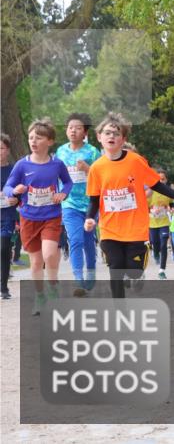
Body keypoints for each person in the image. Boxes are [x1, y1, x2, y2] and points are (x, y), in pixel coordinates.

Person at [83, 113, 174, 299]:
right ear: (99, 137)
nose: (111, 136)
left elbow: (157, 184)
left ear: (123, 139)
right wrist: (89, 218)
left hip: (135, 227)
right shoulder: (96, 168)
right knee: (116, 268)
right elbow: (94, 199)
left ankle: (136, 273)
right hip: (110, 229)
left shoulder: (135, 161)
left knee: (133, 271)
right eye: (107, 133)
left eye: (116, 134)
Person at [2, 119, 74, 314]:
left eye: (39, 138)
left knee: (50, 254)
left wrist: (63, 193)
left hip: (51, 215)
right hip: (28, 218)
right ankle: (40, 296)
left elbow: (68, 183)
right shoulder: (21, 165)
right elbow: (8, 187)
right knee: (35, 262)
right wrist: (13, 191)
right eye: (31, 137)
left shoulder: (57, 164)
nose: (33, 141)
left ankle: (52, 289)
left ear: (49, 141)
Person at [55, 113, 102, 295]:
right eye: (70, 127)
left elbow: (102, 177)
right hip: (69, 204)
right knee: (75, 240)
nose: (73, 131)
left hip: (90, 203)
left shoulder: (92, 152)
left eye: (78, 128)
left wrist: (88, 169)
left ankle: (90, 272)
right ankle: (78, 280)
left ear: (85, 133)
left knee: (89, 240)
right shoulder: (60, 152)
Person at [148, 167, 174, 280]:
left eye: (162, 179)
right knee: (155, 243)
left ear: (166, 180)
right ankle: (155, 252)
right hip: (152, 223)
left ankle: (162, 270)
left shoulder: (167, 192)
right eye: (158, 179)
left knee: (164, 245)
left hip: (164, 222)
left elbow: (172, 203)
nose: (160, 181)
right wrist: (152, 210)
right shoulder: (149, 192)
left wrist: (172, 209)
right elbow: (144, 205)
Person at [1, 133, 18, 300]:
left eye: (1, 148)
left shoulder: (14, 170)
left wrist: (16, 199)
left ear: (7, 150)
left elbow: (21, 191)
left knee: (4, 249)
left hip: (7, 216)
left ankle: (3, 286)